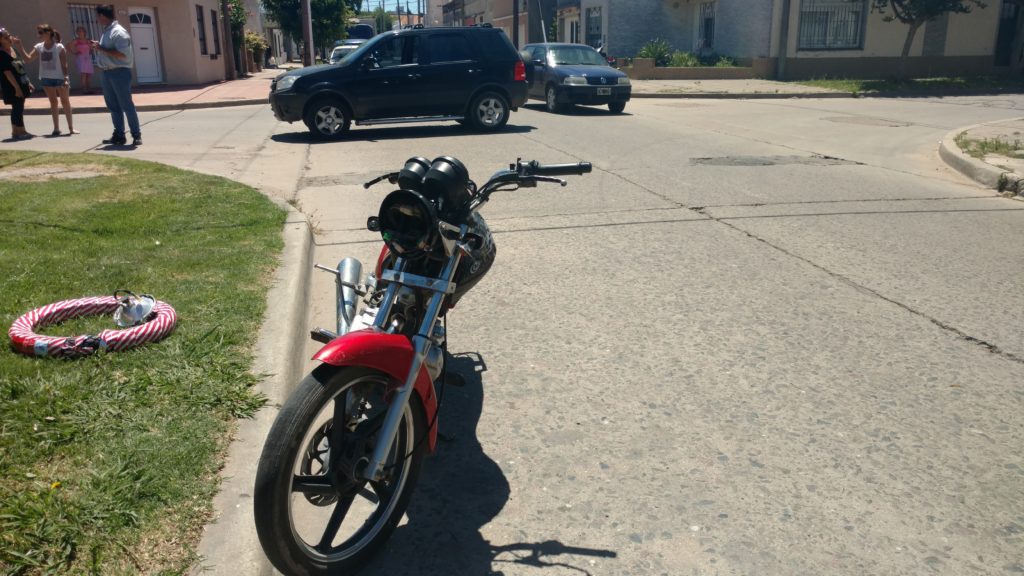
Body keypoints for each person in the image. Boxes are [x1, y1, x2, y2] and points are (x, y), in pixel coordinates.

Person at [91, 4, 140, 146]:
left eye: (97, 16)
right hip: (107, 73)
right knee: (113, 106)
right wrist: (100, 47)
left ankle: (136, 135)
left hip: (119, 72)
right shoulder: (107, 31)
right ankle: (119, 135)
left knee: (126, 105)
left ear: (102, 16)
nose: (96, 19)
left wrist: (100, 48)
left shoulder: (118, 32)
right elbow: (109, 50)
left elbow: (123, 55)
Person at [15, 24, 78, 136]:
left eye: (40, 32)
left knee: (65, 102)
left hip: (60, 78)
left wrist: (66, 78)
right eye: (38, 32)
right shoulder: (39, 47)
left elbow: (64, 65)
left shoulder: (59, 47)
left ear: (48, 33)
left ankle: (71, 128)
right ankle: (56, 128)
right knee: (53, 103)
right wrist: (20, 46)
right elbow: (28, 59)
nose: (38, 35)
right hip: (46, 78)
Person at [0, 27, 34, 140]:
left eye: (9, 35)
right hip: (12, 85)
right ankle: (21, 131)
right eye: (6, 37)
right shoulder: (2, 54)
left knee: (18, 107)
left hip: (21, 82)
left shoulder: (14, 50)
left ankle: (15, 131)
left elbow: (21, 67)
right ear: (0, 40)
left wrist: (28, 82)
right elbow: (7, 73)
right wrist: (17, 88)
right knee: (18, 107)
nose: (9, 38)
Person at [70, 26, 94, 94]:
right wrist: (75, 52)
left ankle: (89, 89)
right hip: (81, 59)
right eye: (78, 31)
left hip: (88, 58)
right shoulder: (76, 41)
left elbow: (91, 48)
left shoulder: (88, 40)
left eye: (81, 31)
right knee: (83, 74)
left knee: (89, 74)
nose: (80, 33)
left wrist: (90, 51)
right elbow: (68, 46)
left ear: (84, 32)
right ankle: (84, 90)